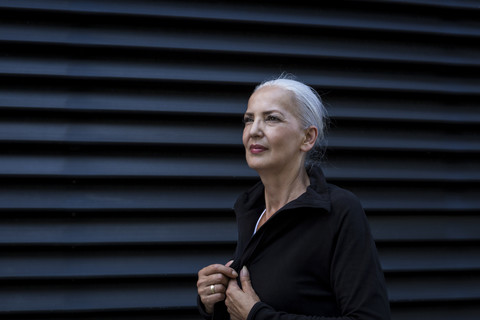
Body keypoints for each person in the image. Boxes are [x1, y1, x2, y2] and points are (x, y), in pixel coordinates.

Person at [197, 75, 391, 320]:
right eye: (249, 119)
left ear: (307, 138)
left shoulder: (338, 210)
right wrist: (212, 301)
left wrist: (258, 316)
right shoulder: (251, 211)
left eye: (271, 118)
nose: (254, 131)